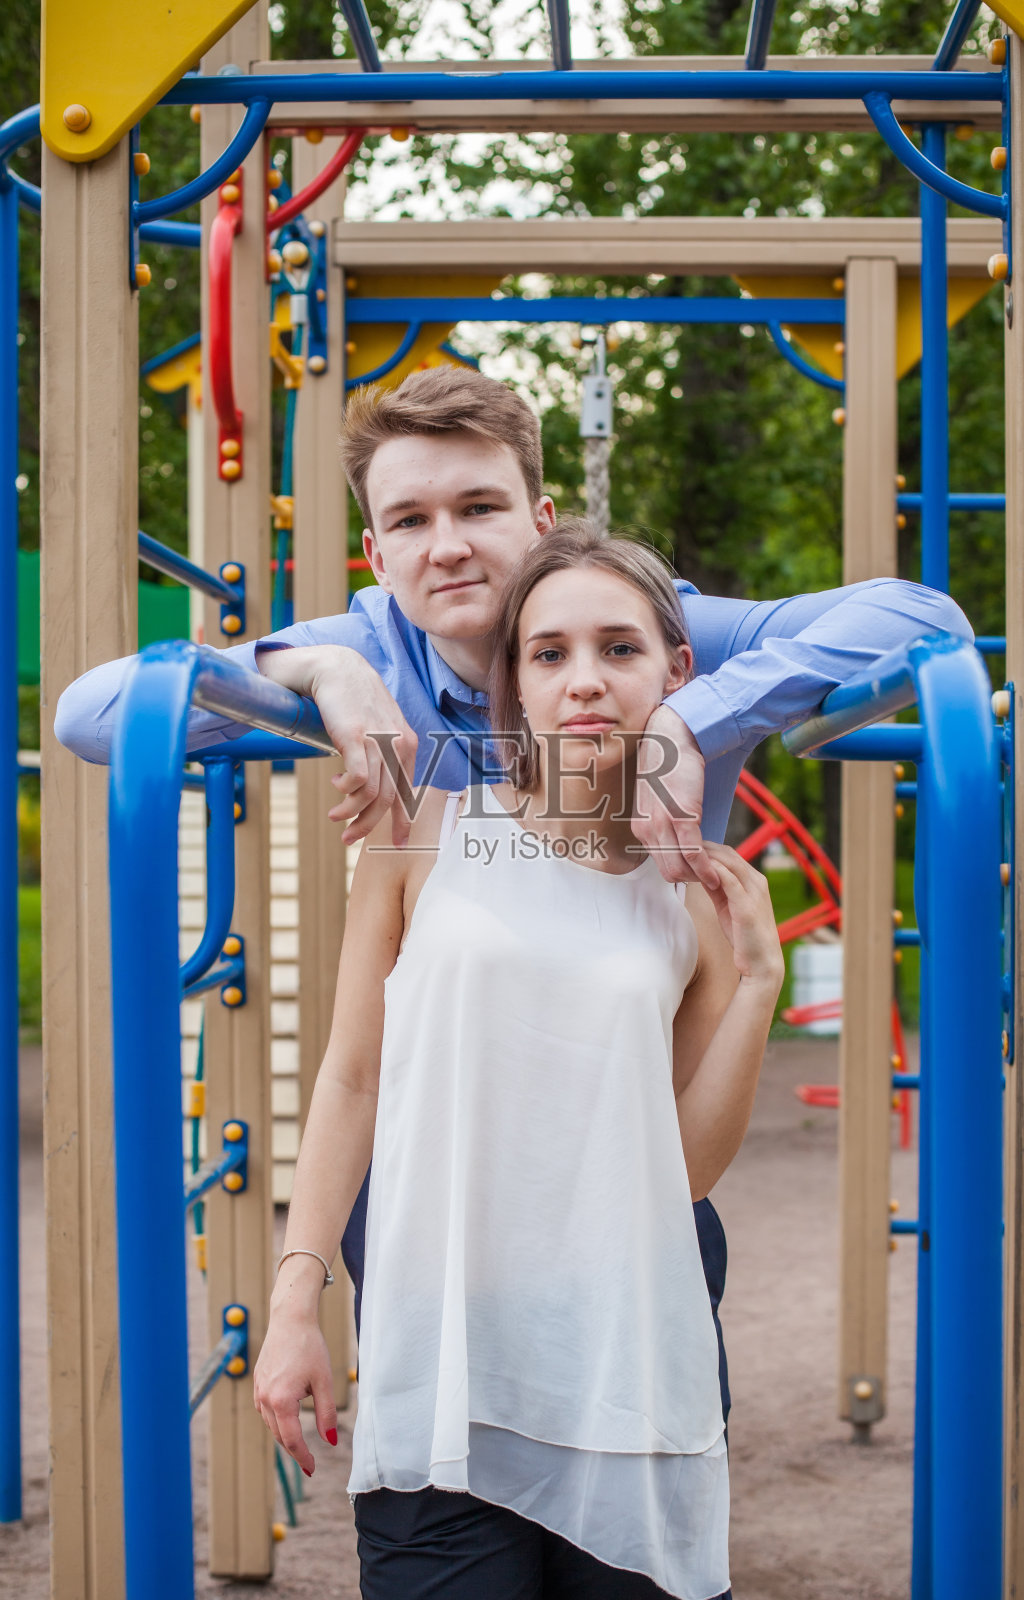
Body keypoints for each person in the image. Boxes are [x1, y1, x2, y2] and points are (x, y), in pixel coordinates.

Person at [53, 365, 970, 1430]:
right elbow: (90, 716)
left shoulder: (645, 639)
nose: (447, 544)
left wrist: (693, 718)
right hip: (443, 1157)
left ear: (539, 518)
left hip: (626, 1131)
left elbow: (921, 614)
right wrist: (316, 672)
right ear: (376, 553)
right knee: (454, 1469)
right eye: (410, 519)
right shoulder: (371, 647)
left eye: (479, 507)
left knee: (636, 1443)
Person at [253, 522, 786, 1599]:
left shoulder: (690, 890)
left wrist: (760, 983)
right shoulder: (421, 834)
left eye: (618, 649)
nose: (583, 681)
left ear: (675, 675)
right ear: (514, 685)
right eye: (548, 653)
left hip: (619, 1360)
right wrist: (295, 1302)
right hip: (441, 1353)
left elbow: (679, 1174)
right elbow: (353, 1078)